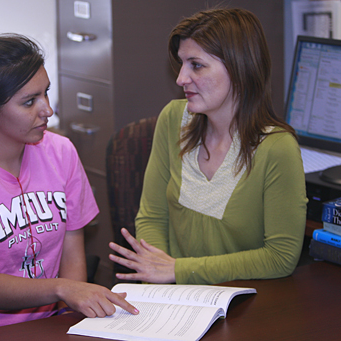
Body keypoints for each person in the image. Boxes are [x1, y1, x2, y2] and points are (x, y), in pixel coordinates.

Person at [0, 33, 138, 340]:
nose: (47, 109)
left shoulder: (61, 152)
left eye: (46, 93)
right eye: (29, 101)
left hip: (47, 325)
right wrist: (63, 288)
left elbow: (72, 253)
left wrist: (67, 318)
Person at [109, 8, 307, 285]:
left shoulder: (277, 148)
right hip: (173, 296)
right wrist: (159, 278)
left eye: (196, 65)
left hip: (243, 306)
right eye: (182, 64)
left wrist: (178, 270)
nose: (181, 79)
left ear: (240, 68)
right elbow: (152, 218)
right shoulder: (173, 119)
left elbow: (280, 257)